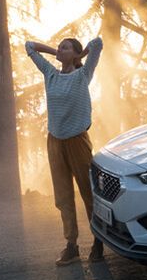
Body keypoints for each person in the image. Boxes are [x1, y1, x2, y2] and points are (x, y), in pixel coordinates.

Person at [25, 35, 104, 266]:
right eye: (60, 46)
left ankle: (98, 240)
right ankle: (71, 245)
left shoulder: (82, 75)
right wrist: (55, 52)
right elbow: (29, 46)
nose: (60, 49)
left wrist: (80, 56)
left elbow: (97, 42)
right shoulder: (50, 74)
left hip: (77, 142)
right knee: (63, 196)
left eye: (65, 47)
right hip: (55, 142)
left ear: (76, 53)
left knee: (88, 193)